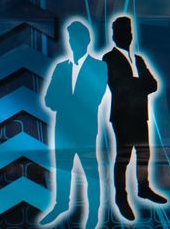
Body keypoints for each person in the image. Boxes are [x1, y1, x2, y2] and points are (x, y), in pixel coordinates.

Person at [40, 21, 108, 229]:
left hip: (86, 131)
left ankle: (94, 214)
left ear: (87, 41)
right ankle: (61, 205)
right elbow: (49, 100)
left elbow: (94, 97)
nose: (73, 43)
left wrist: (66, 101)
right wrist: (72, 101)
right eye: (71, 39)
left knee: (91, 174)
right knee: (62, 170)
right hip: (62, 131)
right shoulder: (61, 68)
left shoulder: (99, 66)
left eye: (77, 39)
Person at [102, 15, 168, 217]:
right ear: (114, 35)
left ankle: (143, 188)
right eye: (123, 32)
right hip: (122, 116)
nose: (127, 35)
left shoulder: (138, 59)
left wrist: (133, 84)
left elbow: (153, 84)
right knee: (123, 158)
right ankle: (121, 197)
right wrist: (138, 84)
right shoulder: (109, 58)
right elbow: (120, 85)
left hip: (140, 115)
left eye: (129, 31)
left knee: (143, 155)